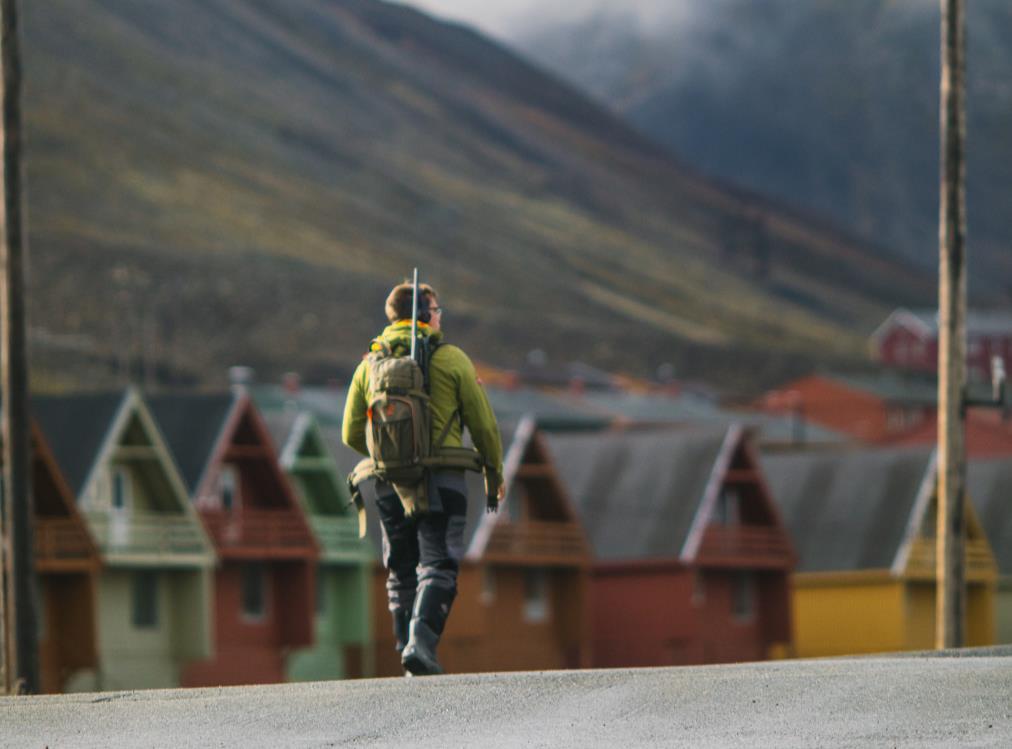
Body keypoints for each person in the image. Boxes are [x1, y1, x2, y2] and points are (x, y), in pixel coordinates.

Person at [342, 281, 504, 675]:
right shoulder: (452, 360)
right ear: (424, 315)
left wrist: (392, 454)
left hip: (388, 483)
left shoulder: (370, 365)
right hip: (442, 480)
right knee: (438, 564)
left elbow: (349, 432)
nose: (440, 315)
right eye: (436, 308)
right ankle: (421, 645)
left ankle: (405, 651)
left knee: (400, 569)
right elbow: (483, 425)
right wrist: (493, 472)